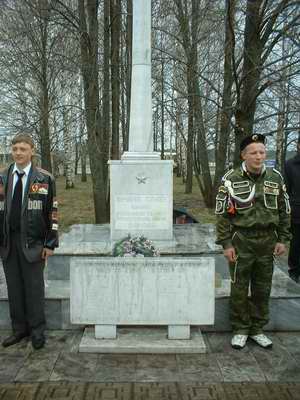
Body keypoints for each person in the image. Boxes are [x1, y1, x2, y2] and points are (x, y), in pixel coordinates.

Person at [215, 134, 290, 350]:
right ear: (243, 155)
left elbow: (284, 211)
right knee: (239, 287)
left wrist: (283, 239)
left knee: (262, 287)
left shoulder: (275, 178)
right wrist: (226, 244)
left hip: (267, 241)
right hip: (241, 240)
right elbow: (222, 215)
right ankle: (240, 329)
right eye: (254, 153)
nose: (259, 157)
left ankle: (257, 328)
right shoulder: (231, 179)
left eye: (262, 152)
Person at [0, 134, 58, 349]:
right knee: (13, 288)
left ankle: (37, 331)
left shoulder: (44, 179)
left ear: (32, 151)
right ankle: (19, 329)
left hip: (33, 243)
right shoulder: (3, 177)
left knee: (34, 289)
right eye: (15, 148)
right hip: (8, 242)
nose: (18, 152)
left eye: (23, 148)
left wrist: (49, 243)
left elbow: (53, 212)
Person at [285, 136, 300, 283]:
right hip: (297, 212)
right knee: (296, 244)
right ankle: (294, 272)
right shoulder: (290, 165)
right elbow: (287, 190)